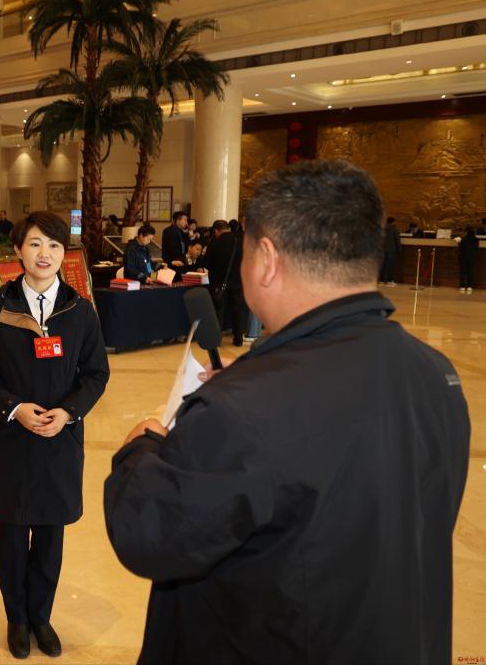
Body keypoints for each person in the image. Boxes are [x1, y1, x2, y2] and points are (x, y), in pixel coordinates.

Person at [103, 159, 470, 665]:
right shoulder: (436, 373)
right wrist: (255, 378)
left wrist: (140, 451)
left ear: (267, 260)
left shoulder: (241, 408)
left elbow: (149, 535)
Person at [0, 211, 110, 660]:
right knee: (11, 536)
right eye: (35, 243)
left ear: (66, 254)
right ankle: (18, 619)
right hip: (9, 439)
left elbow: (96, 373)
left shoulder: (79, 310)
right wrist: (14, 408)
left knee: (49, 535)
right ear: (18, 251)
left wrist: (69, 412)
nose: (45, 253)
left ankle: (41, 617)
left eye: (54, 245)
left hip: (58, 441)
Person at [204, 219, 246, 346]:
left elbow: (206, 263)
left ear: (216, 231)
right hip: (237, 282)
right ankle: (238, 339)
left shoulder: (215, 243)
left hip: (218, 283)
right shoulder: (240, 241)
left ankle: (217, 340)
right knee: (237, 311)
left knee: (218, 312)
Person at [380, 215, 401, 286]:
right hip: (391, 249)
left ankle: (381, 280)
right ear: (393, 222)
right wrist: (399, 249)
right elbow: (397, 239)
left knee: (383, 265)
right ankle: (390, 280)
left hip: (383, 249)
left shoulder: (382, 228)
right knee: (391, 265)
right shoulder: (394, 229)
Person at [458, 224, 479, 293]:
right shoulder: (476, 239)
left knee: (463, 272)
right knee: (470, 271)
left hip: (464, 257)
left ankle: (462, 286)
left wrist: (459, 242)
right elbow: (477, 249)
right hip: (472, 258)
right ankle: (470, 286)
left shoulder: (464, 239)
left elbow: (461, 248)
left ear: (466, 232)